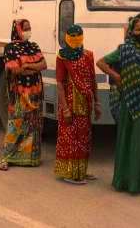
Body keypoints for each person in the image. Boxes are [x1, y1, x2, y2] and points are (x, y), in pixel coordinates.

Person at [96, 17, 140, 194]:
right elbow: (101, 62)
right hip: (133, 104)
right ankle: (130, 182)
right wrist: (117, 76)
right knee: (134, 141)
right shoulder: (125, 50)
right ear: (131, 33)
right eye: (138, 29)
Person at [55, 25, 101, 184]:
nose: (75, 38)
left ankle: (81, 170)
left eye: (78, 35)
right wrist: (65, 108)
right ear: (67, 38)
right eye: (72, 36)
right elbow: (60, 83)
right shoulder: (62, 57)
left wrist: (97, 103)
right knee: (70, 138)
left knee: (84, 138)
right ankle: (70, 173)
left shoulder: (88, 55)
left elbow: (93, 80)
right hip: (70, 104)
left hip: (86, 103)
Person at [0, 19, 47, 171]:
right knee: (16, 124)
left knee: (33, 125)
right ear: (17, 30)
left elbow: (44, 65)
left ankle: (30, 159)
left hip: (35, 92)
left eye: (29, 28)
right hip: (19, 93)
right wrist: (33, 68)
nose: (28, 30)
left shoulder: (34, 46)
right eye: (25, 28)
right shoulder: (10, 48)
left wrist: (27, 65)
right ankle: (7, 157)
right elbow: (15, 70)